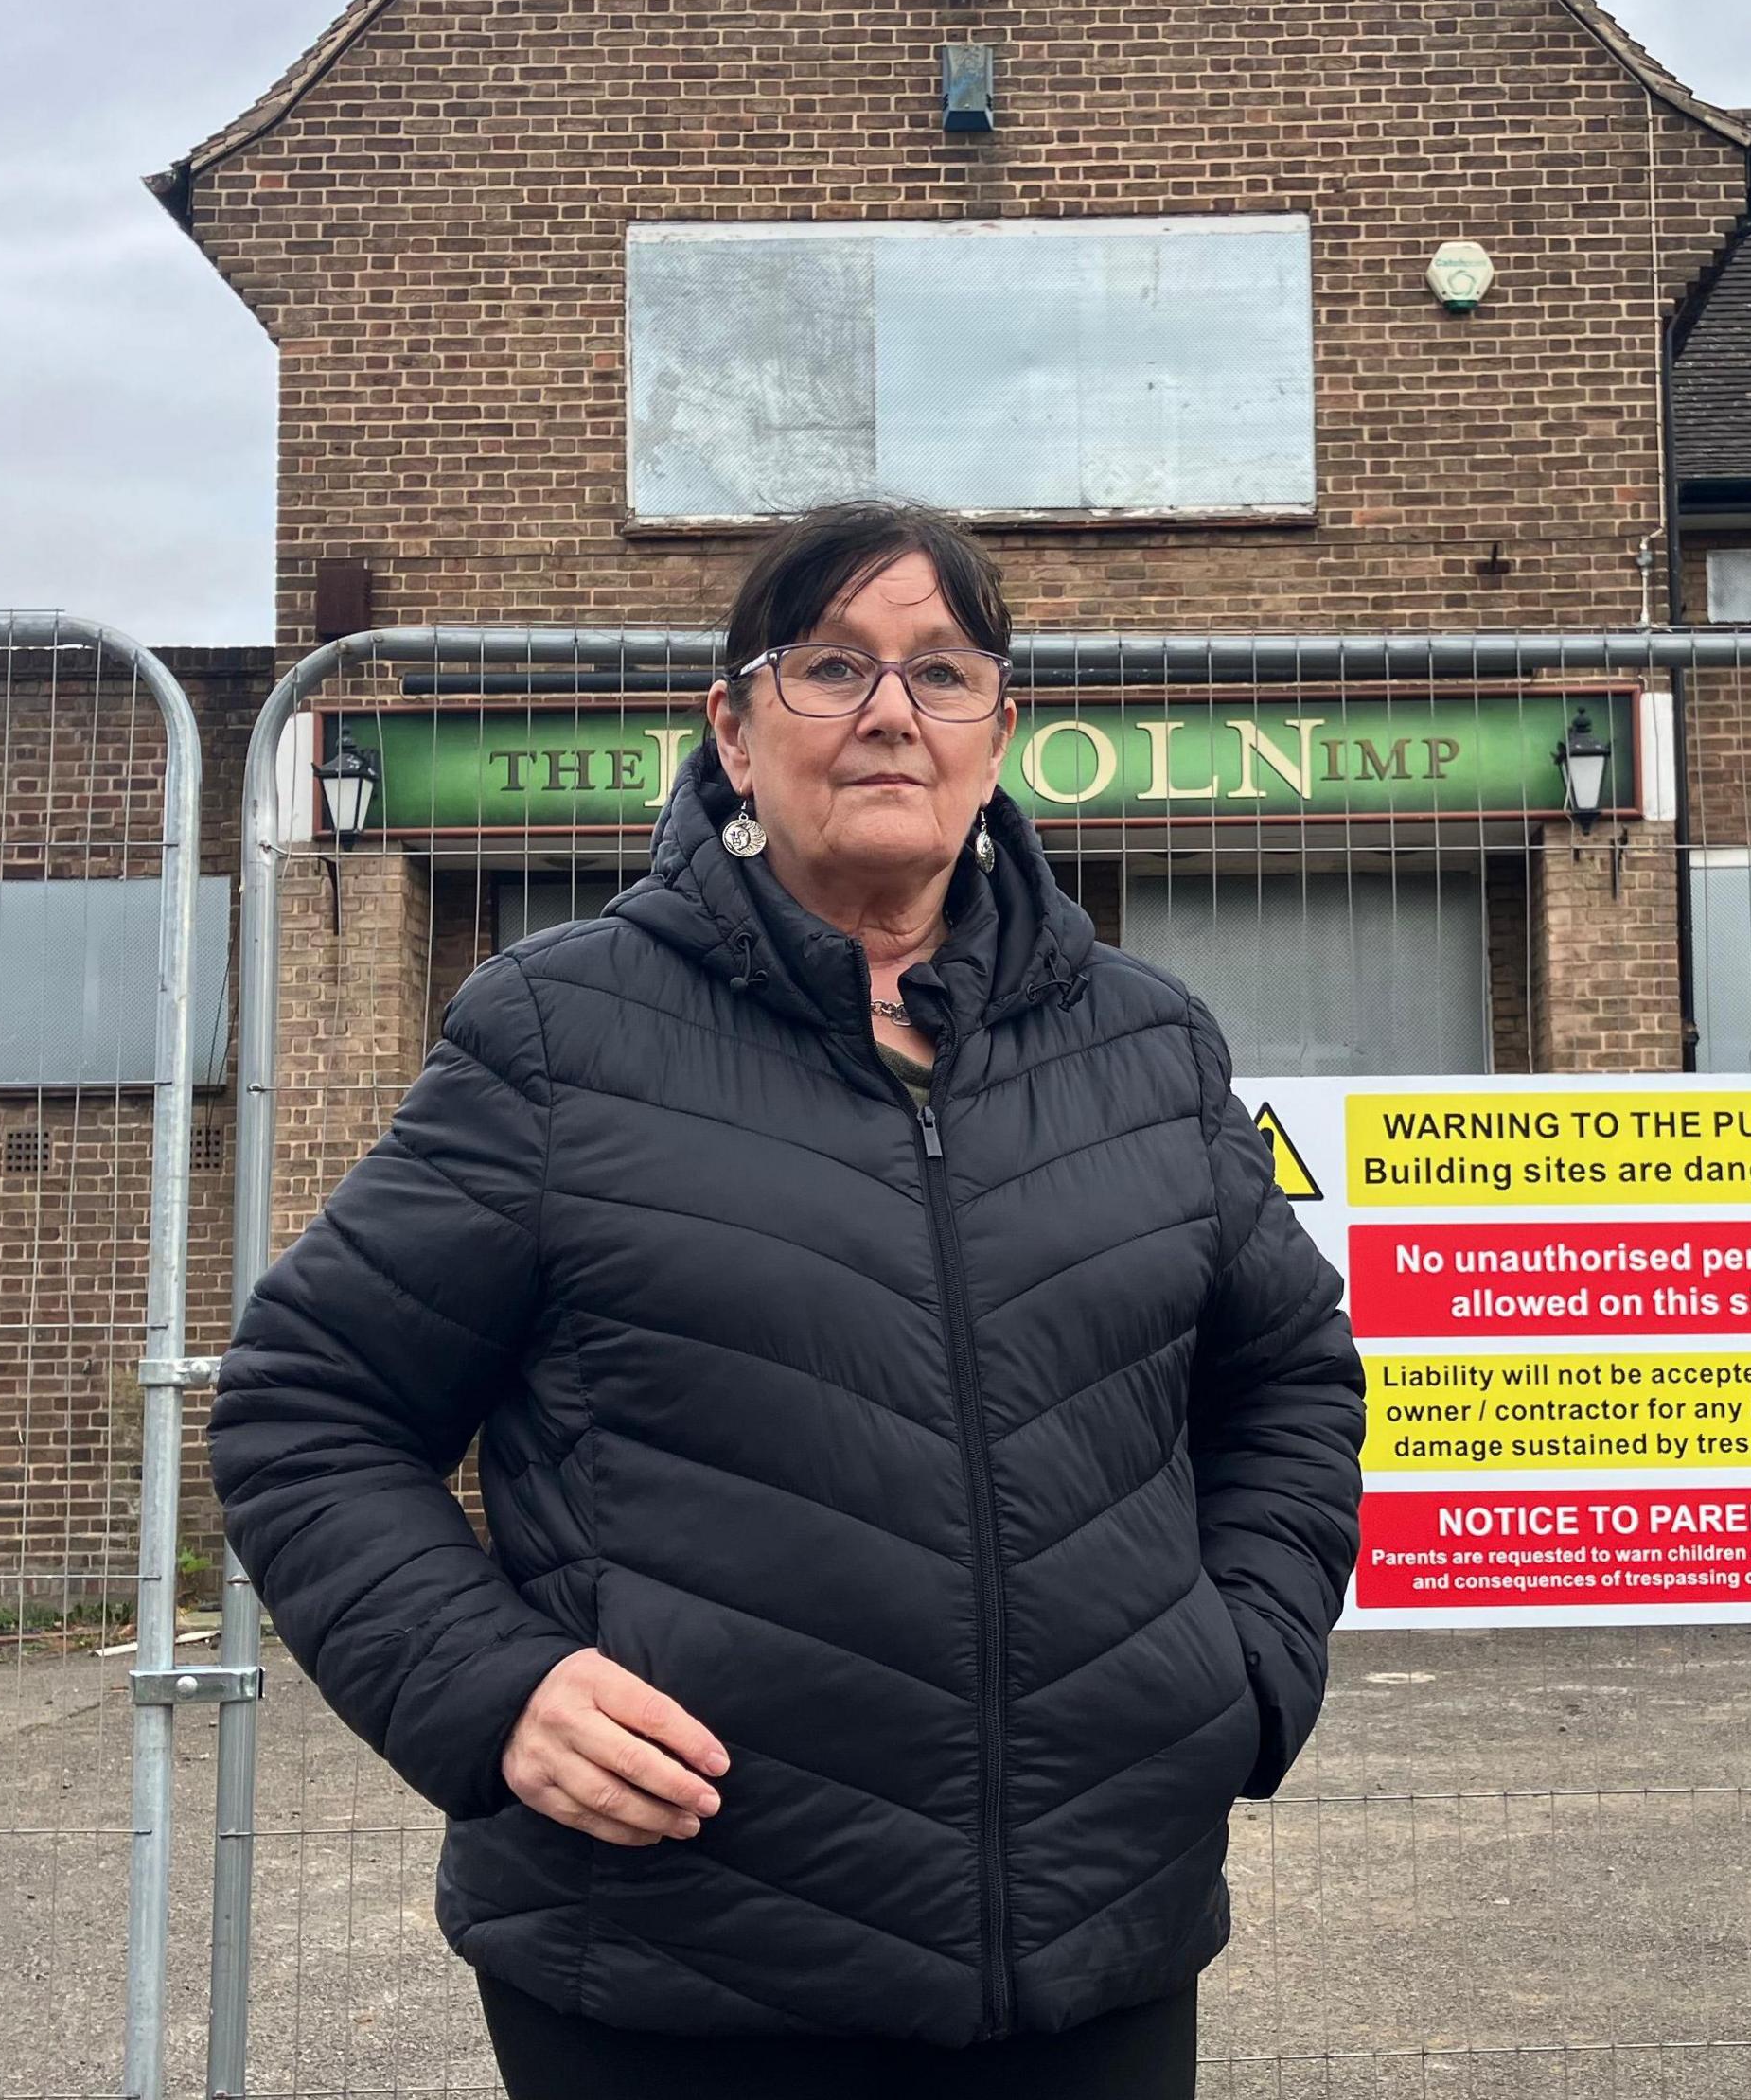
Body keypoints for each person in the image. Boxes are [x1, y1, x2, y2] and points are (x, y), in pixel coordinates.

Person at [208, 500, 1366, 2098]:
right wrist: (487, 1688)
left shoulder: (1144, 1046)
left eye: (943, 672)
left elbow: (1292, 1380)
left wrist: (1237, 1670)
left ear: (997, 729)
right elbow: (310, 1408)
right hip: (681, 1966)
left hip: (1095, 1950)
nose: (893, 711)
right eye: (831, 665)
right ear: (734, 733)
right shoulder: (560, 1037)